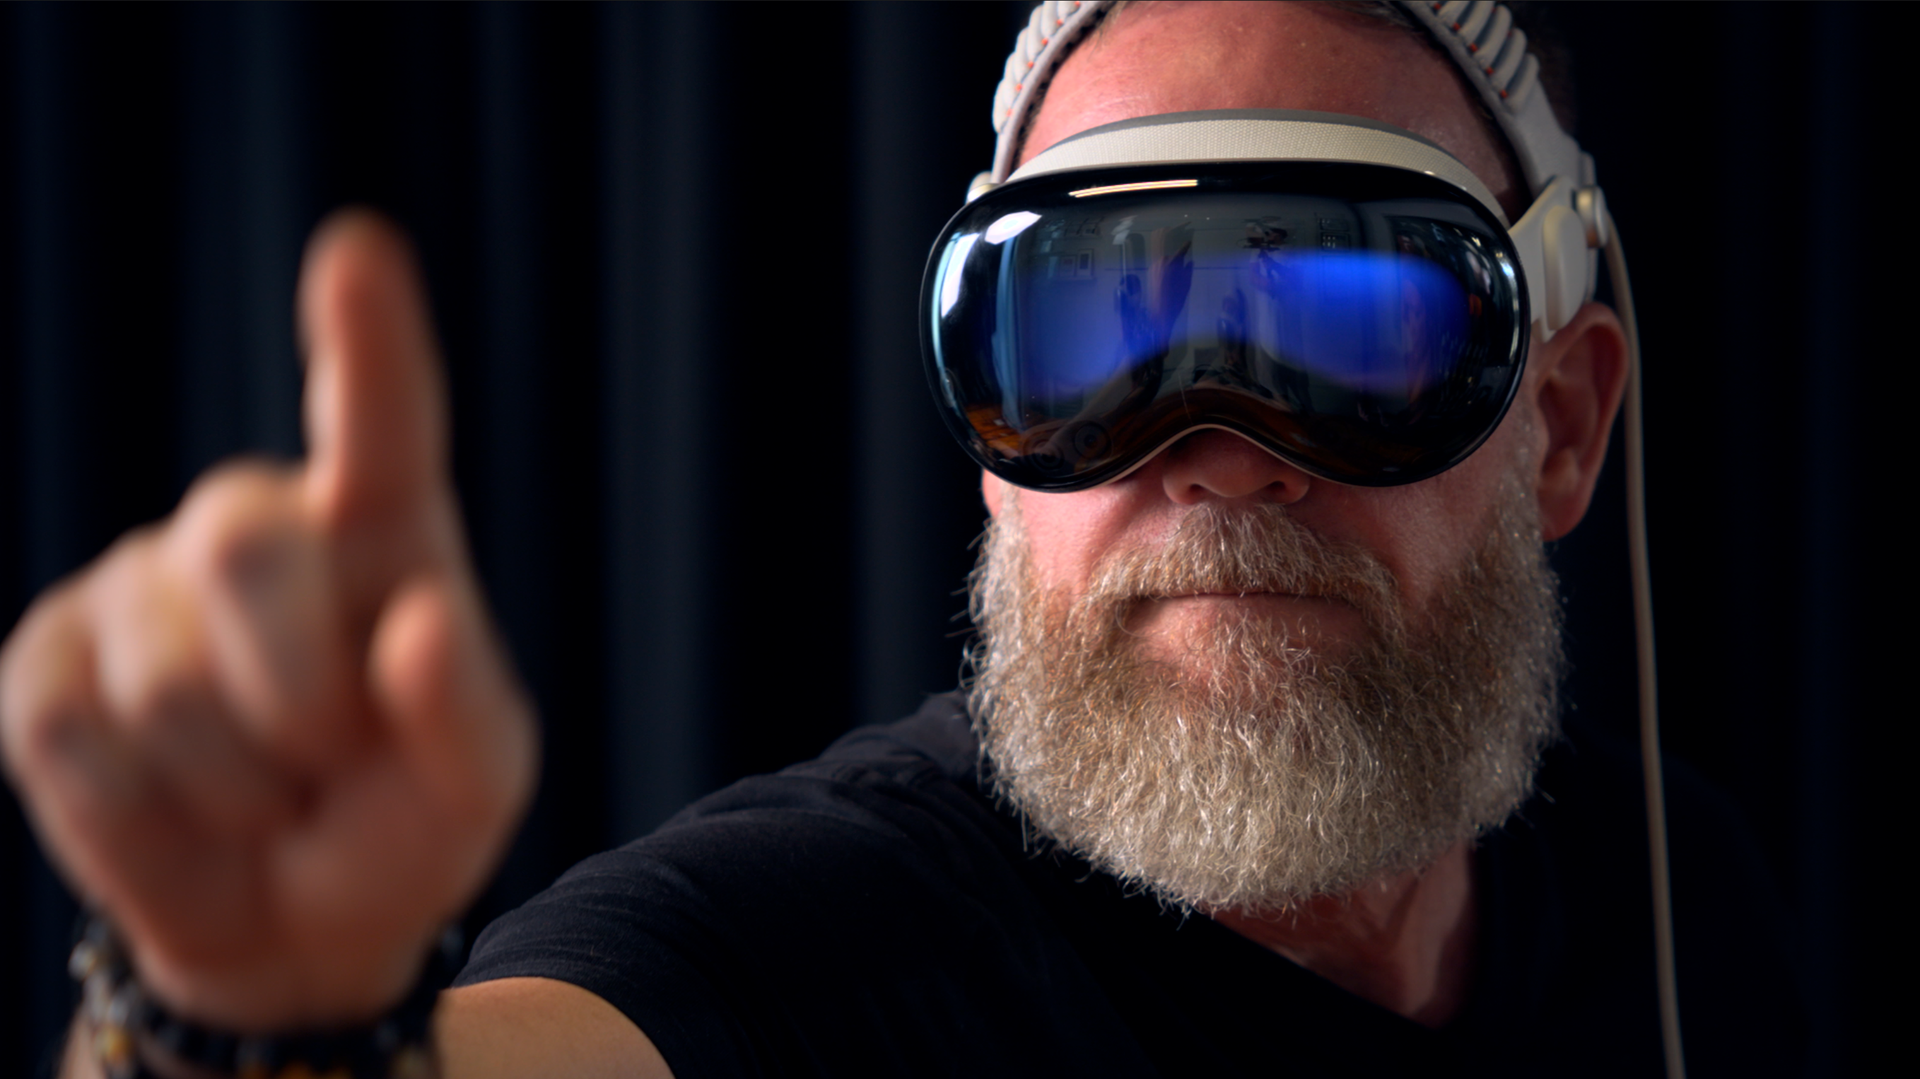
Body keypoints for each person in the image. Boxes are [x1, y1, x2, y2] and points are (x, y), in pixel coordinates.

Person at [0, 3, 1803, 1077]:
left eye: (1353, 328)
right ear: (995, 454)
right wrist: (244, 1026)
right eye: (1093, 336)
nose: (1219, 456)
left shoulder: (1675, 895)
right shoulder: (828, 956)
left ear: (1562, 422)